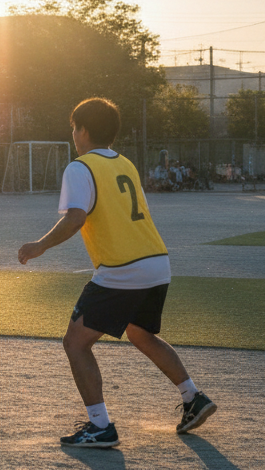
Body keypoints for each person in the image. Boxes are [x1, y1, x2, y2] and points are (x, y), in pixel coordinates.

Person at [18, 98, 216, 448]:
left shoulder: (80, 167)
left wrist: (38, 246)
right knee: (141, 334)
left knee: (75, 342)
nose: (73, 133)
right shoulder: (124, 163)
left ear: (83, 130)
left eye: (74, 127)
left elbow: (76, 217)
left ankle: (100, 426)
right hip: (156, 261)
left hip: (123, 269)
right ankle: (192, 397)